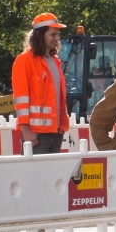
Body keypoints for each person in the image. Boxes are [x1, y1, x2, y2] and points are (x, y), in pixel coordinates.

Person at [11, 12, 70, 155]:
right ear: (40, 35)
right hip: (36, 135)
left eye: (57, 34)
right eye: (53, 34)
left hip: (56, 132)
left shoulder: (55, 61)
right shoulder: (24, 60)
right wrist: (25, 129)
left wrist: (62, 126)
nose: (57, 38)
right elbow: (20, 98)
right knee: (34, 170)